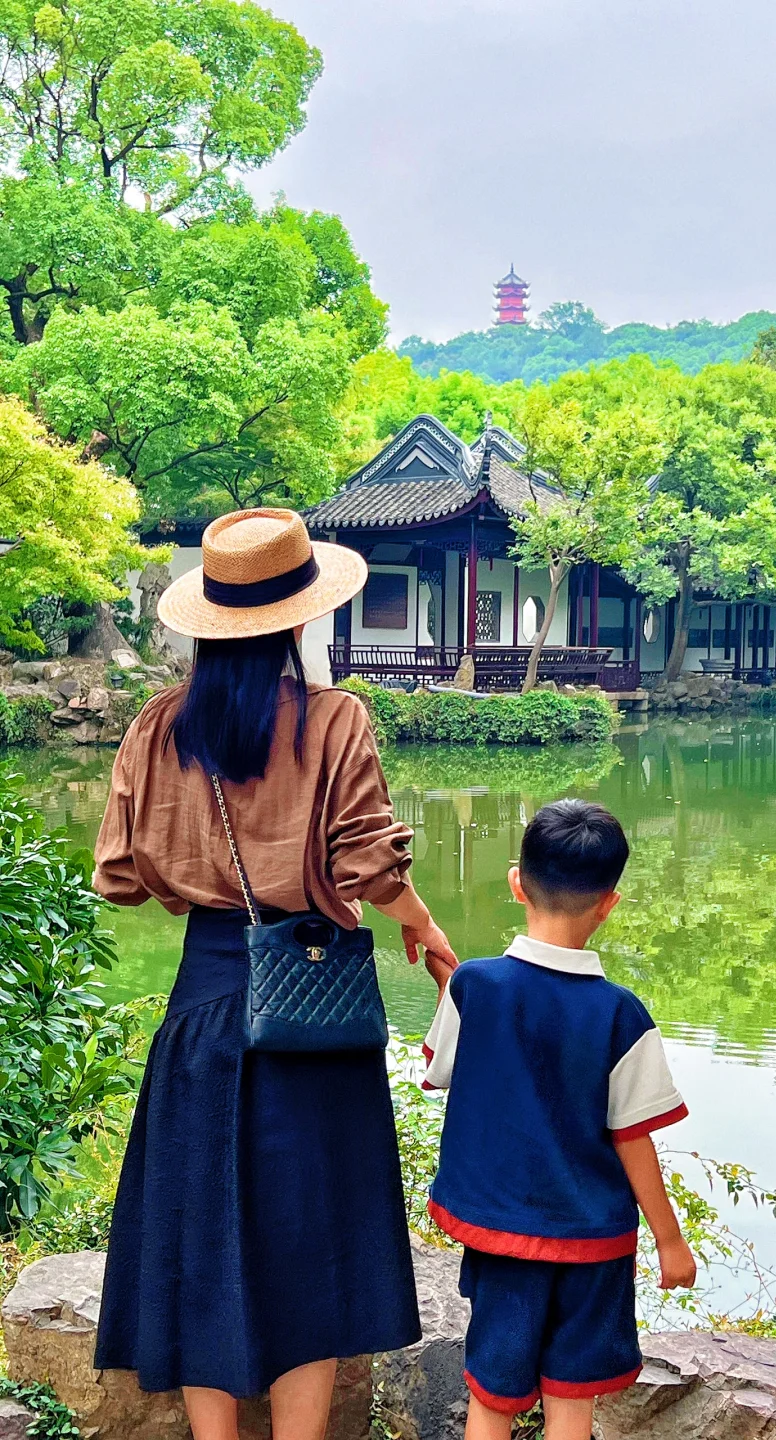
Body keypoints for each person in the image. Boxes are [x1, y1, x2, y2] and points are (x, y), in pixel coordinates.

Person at [92, 508, 459, 1440]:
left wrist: (202, 863)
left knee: (200, 1232)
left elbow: (119, 876)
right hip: (310, 1005)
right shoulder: (335, 719)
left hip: (204, 1002)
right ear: (299, 618)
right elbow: (370, 864)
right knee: (314, 1245)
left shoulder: (157, 726)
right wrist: (423, 926)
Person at [421, 799, 697, 1440]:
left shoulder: (474, 987)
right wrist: (669, 1240)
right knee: (572, 1399)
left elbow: (444, 1070)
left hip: (501, 1235)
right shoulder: (622, 1015)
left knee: (492, 1397)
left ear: (516, 882)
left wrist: (448, 985)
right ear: (608, 904)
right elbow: (633, 1138)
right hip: (592, 1244)